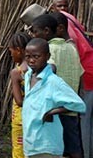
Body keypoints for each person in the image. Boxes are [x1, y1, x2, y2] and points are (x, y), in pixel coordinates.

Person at [30, 14, 83, 158]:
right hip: (71, 108)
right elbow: (80, 74)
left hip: (54, 110)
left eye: (35, 31)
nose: (33, 35)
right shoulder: (72, 48)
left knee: (54, 149)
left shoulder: (48, 50)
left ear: (46, 31)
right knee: (74, 146)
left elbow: (50, 71)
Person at [51, 0, 93, 158]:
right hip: (88, 70)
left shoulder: (63, 25)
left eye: (64, 6)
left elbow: (73, 48)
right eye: (59, 6)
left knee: (83, 122)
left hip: (87, 75)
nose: (62, 9)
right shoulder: (72, 20)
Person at [8, 32, 31, 158]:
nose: (11, 54)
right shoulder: (38, 68)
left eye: (11, 51)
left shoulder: (17, 72)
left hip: (20, 119)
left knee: (19, 151)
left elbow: (19, 101)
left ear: (18, 50)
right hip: (36, 117)